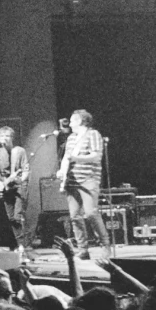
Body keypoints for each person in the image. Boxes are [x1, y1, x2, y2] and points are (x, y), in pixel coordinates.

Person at [62, 108, 111, 260]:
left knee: (91, 213)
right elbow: (66, 158)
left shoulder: (93, 134)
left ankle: (105, 245)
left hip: (89, 179)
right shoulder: (71, 138)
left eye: (72, 120)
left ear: (80, 121)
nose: (69, 123)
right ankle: (83, 250)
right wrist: (62, 172)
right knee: (75, 216)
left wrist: (78, 159)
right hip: (72, 180)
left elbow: (97, 156)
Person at [0, 125, 30, 248]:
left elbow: (26, 170)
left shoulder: (19, 151)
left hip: (19, 186)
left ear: (12, 138)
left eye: (7, 136)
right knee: (11, 218)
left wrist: (20, 180)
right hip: (6, 187)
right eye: (2, 136)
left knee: (18, 216)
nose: (4, 138)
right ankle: (20, 244)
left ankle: (24, 246)